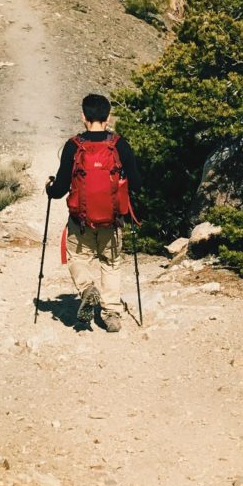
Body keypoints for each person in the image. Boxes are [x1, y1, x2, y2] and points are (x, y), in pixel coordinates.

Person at [46, 93, 141, 332]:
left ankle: (87, 287)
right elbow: (137, 183)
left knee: (77, 259)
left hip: (80, 222)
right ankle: (111, 315)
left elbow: (59, 190)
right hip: (112, 220)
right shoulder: (119, 145)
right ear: (108, 118)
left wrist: (49, 187)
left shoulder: (73, 146)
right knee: (111, 264)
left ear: (83, 117)